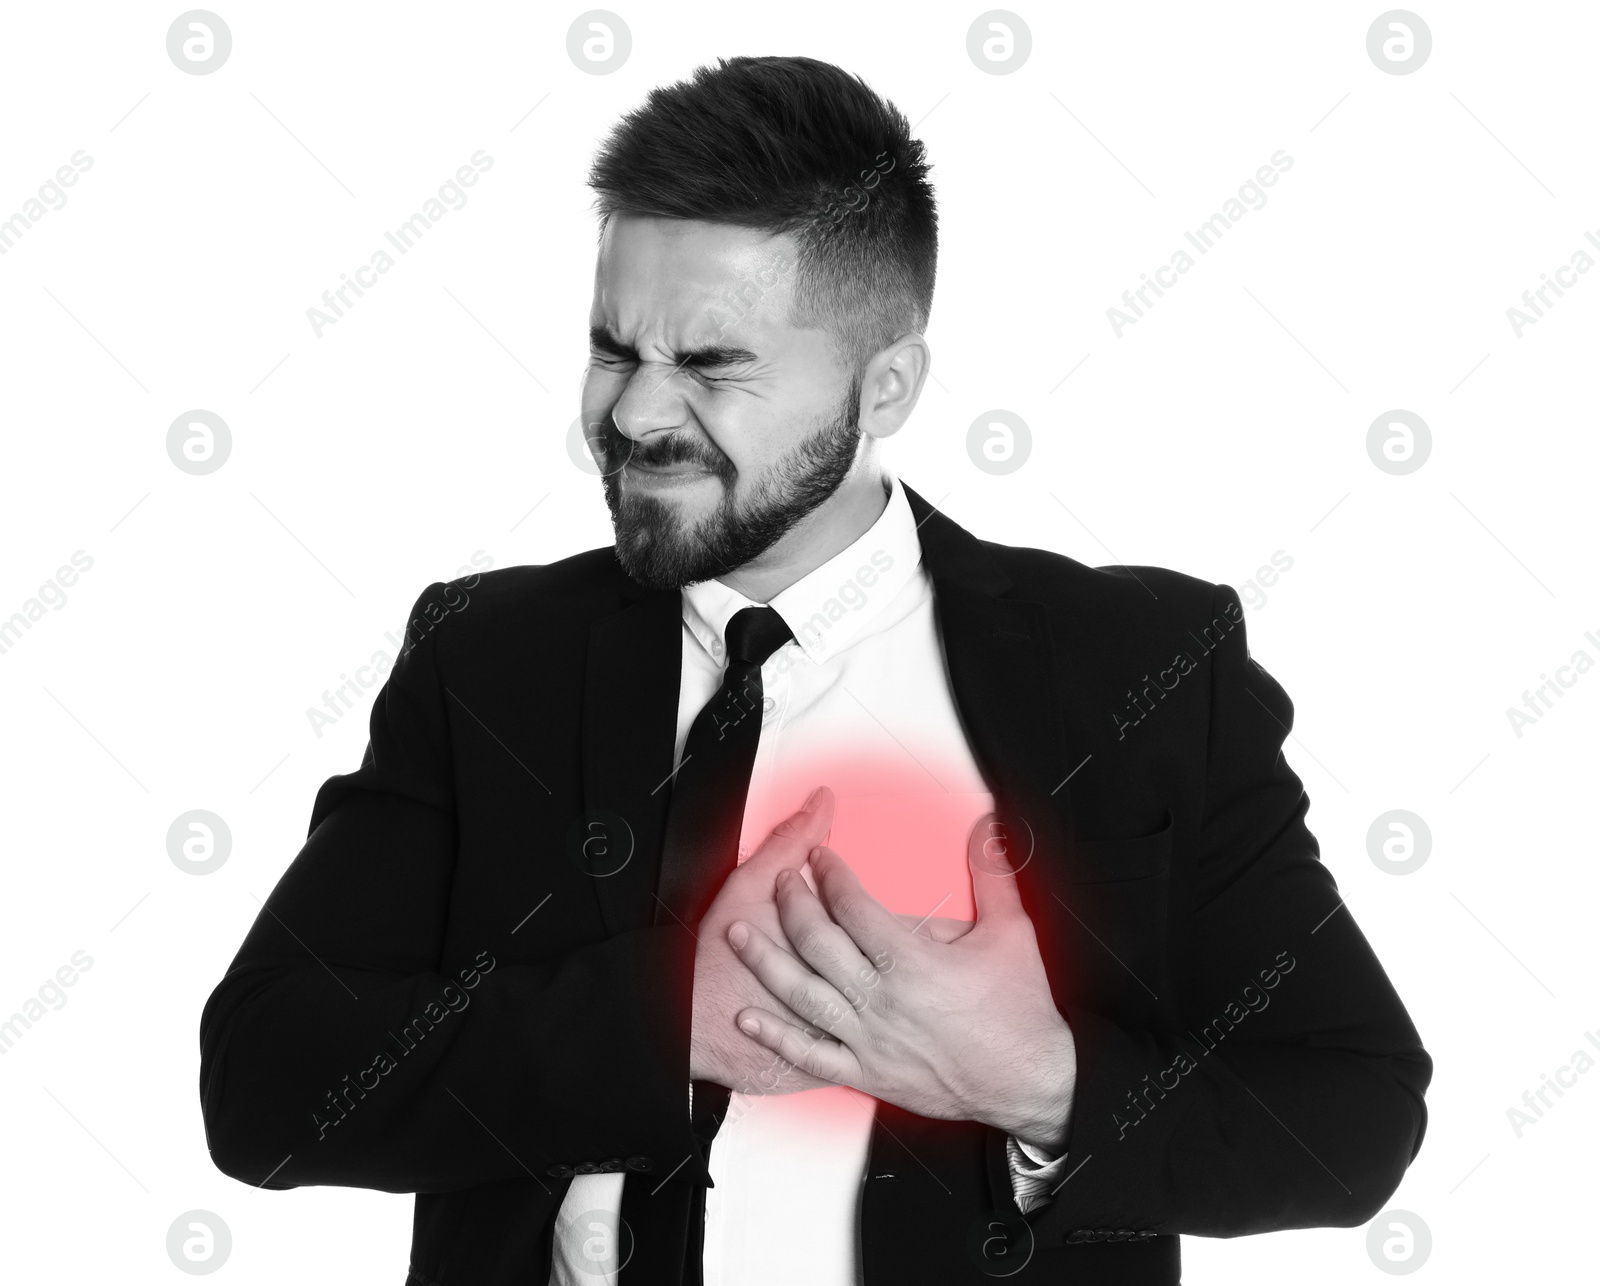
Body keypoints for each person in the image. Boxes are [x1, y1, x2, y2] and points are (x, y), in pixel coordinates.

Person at [199, 55, 1430, 1286]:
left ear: (882, 383)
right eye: (614, 347)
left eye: (712, 365)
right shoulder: (485, 655)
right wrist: (660, 1017)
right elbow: (265, 1083)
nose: (634, 414)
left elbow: (1351, 1110)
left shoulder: (1141, 666)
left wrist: (1038, 1082)